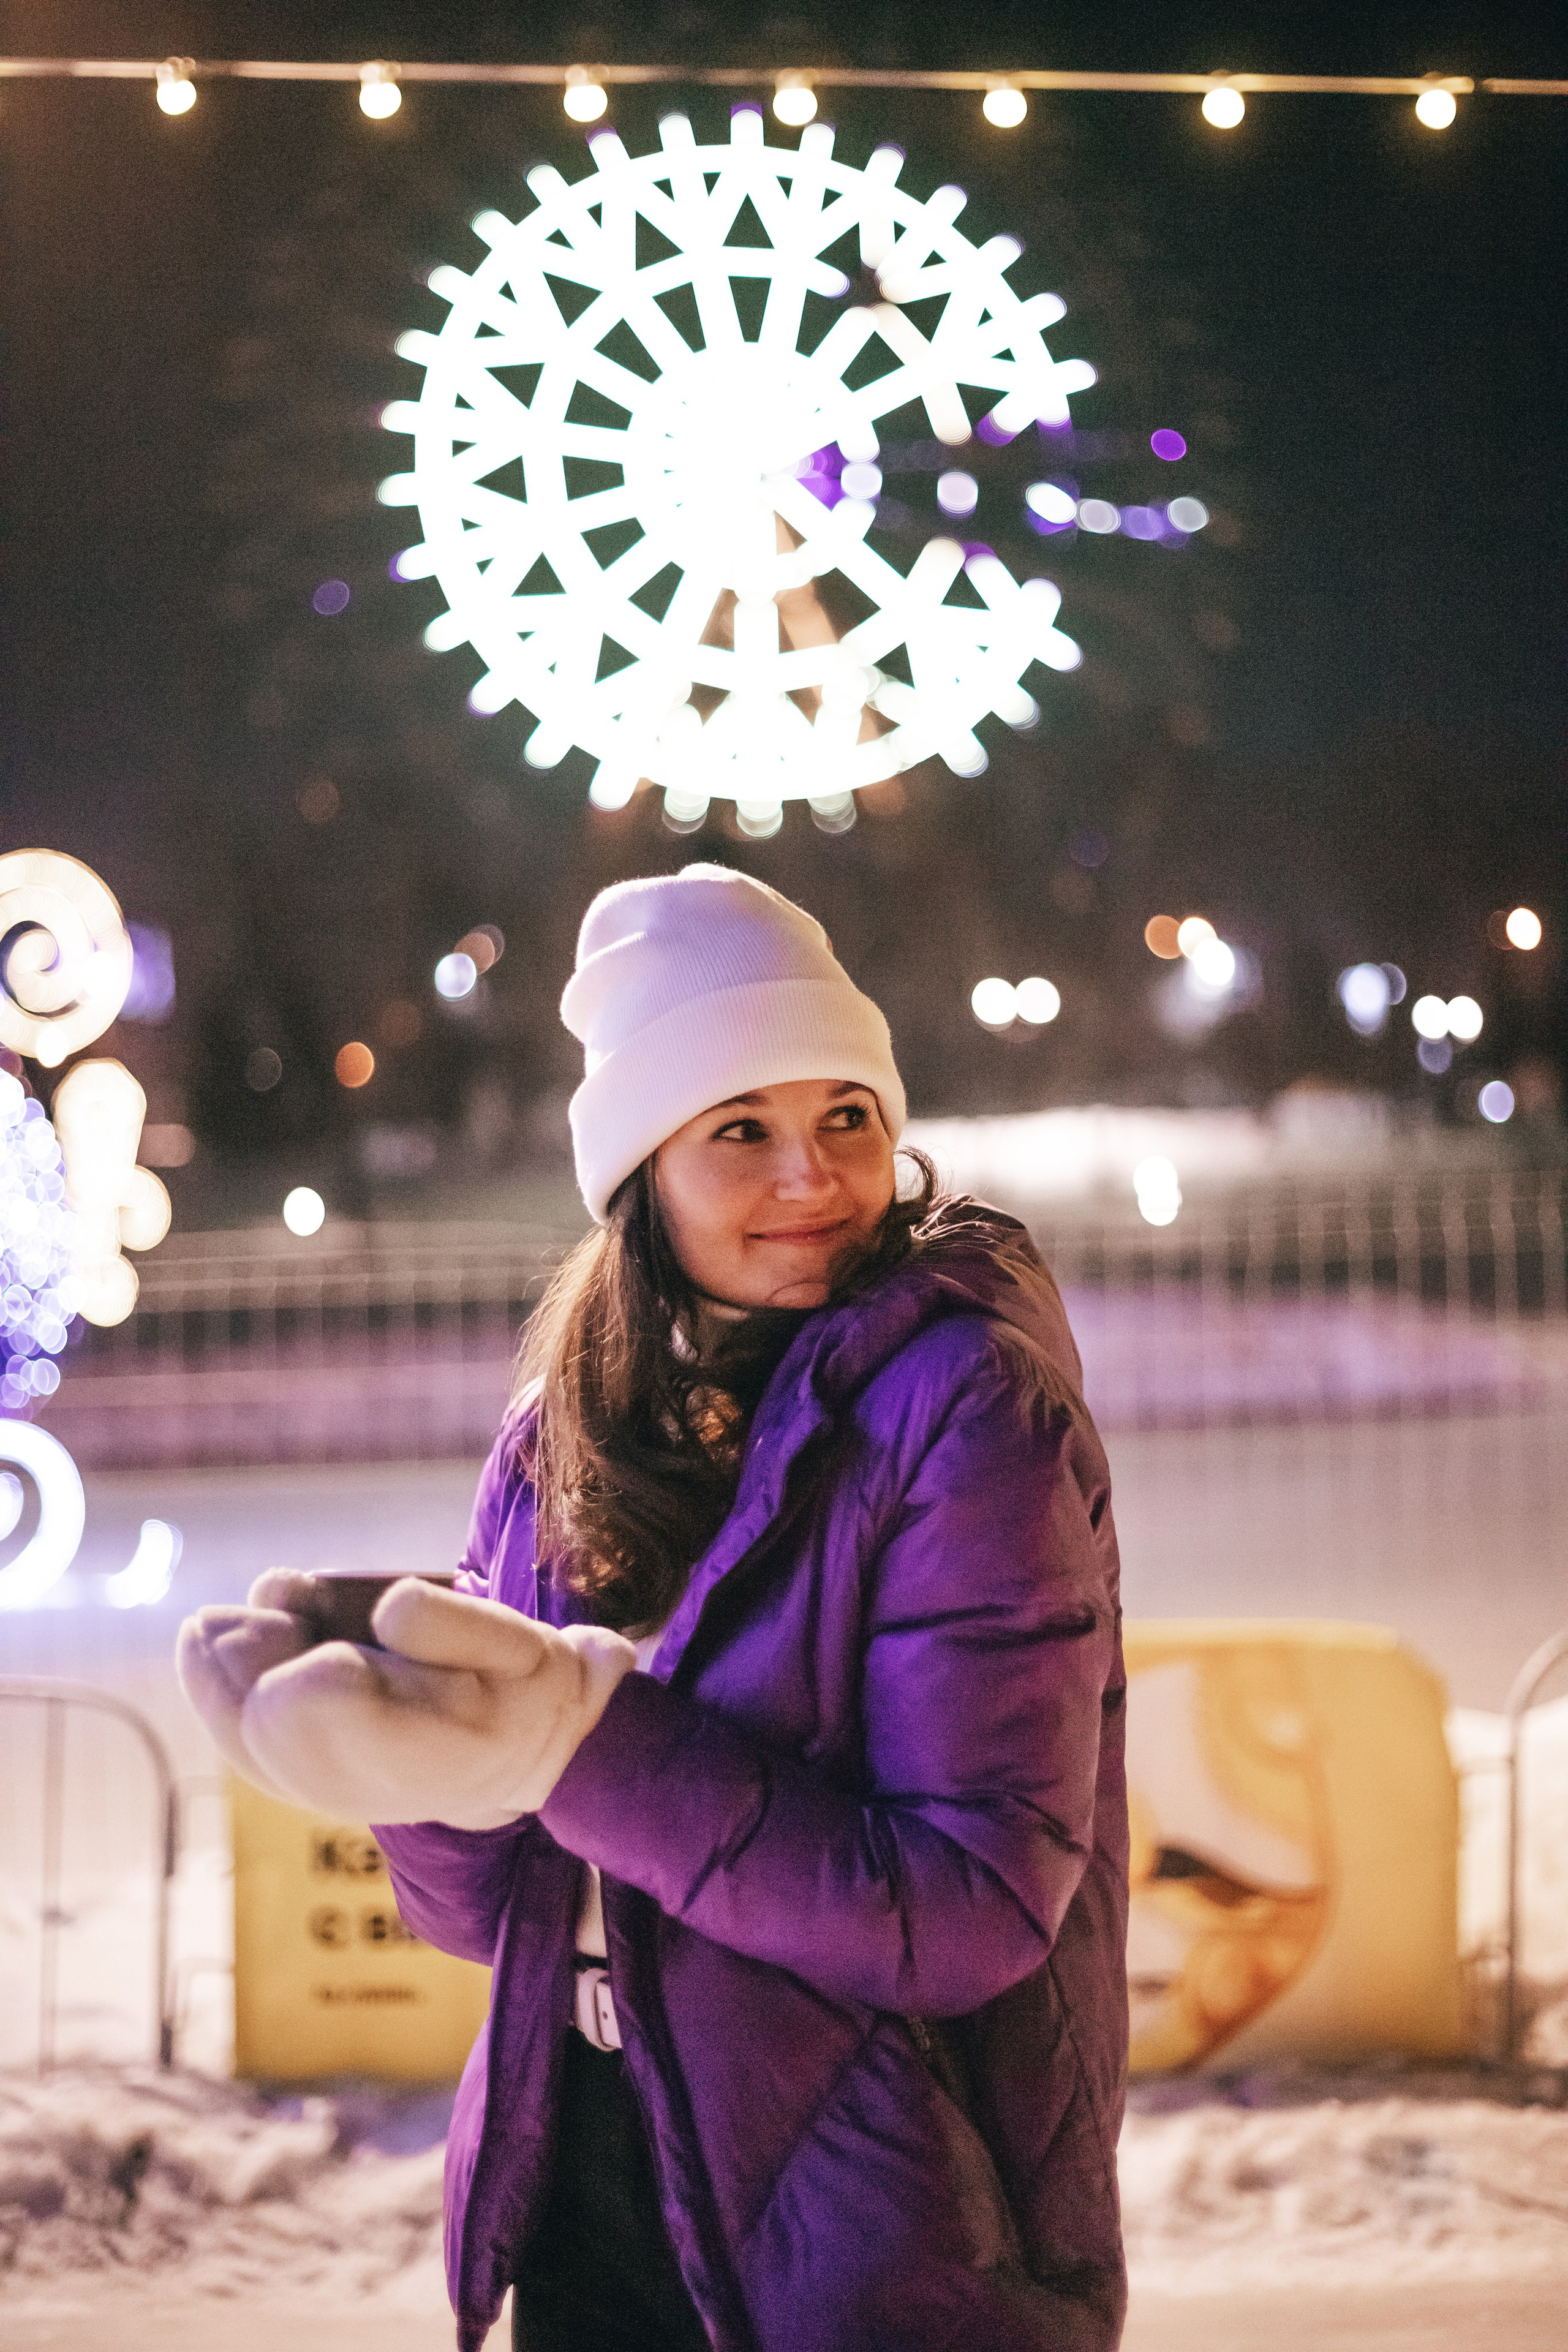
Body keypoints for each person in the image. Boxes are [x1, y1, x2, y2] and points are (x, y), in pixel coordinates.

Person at [178, 864, 1129, 2352]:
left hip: (891, 2202)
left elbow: (966, 1908)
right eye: (738, 1130)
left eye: (845, 1118)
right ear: (638, 1172)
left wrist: (579, 1742)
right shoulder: (557, 1432)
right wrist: (429, 1779)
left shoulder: (965, 1408)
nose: (809, 1176)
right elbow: (496, 1919)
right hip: (588, 2170)